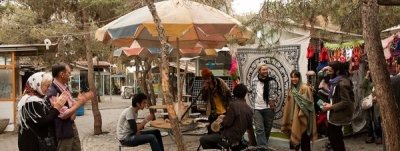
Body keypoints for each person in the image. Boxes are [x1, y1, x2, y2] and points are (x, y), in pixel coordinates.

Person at [46, 62, 94, 151]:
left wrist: (82, 100)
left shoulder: (65, 87)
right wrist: (79, 103)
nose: (70, 74)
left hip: (70, 127)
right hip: (62, 131)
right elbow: (63, 115)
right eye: (68, 72)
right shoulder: (53, 92)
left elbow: (72, 105)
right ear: (62, 74)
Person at [17, 72, 68, 151]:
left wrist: (54, 107)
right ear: (37, 84)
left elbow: (44, 117)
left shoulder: (39, 99)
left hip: (37, 142)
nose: (49, 88)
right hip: (32, 143)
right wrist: (57, 108)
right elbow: (43, 122)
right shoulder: (31, 101)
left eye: (49, 85)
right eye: (46, 85)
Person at [200, 84, 256, 151]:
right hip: (238, 138)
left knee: (203, 140)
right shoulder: (249, 109)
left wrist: (221, 120)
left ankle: (221, 149)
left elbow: (227, 123)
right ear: (244, 94)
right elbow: (250, 128)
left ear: (235, 92)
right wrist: (253, 144)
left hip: (228, 138)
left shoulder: (233, 105)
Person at [322, 61, 355, 151]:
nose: (328, 73)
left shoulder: (341, 83)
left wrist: (331, 107)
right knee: (334, 138)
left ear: (337, 71)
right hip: (334, 114)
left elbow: (346, 102)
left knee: (336, 140)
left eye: (330, 71)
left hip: (338, 115)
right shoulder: (336, 80)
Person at [281, 70, 318, 151]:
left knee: (305, 142)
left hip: (303, 117)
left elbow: (309, 104)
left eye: (296, 77)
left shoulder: (305, 88)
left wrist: (301, 112)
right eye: (292, 77)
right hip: (292, 118)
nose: (294, 79)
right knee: (295, 144)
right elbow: (288, 105)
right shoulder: (291, 89)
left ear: (299, 77)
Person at [248, 63, 276, 148]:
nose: (266, 71)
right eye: (263, 69)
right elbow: (250, 90)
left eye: (266, 69)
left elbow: (275, 93)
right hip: (257, 108)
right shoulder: (254, 80)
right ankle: (263, 148)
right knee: (259, 129)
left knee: (267, 129)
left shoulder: (272, 80)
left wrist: (273, 102)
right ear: (259, 71)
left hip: (268, 108)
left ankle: (263, 145)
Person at [201, 68, 232, 134]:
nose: (207, 79)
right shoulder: (205, 86)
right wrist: (205, 89)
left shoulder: (220, 82)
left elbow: (228, 94)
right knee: (212, 130)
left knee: (223, 130)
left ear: (211, 76)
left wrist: (229, 107)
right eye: (205, 78)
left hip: (224, 111)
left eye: (208, 77)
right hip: (213, 113)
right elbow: (204, 99)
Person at [361, 70, 382, 144]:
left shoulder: (379, 80)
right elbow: (362, 86)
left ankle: (378, 136)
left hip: (376, 101)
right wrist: (367, 76)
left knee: (376, 119)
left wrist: (377, 97)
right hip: (368, 102)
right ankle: (370, 136)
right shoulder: (368, 81)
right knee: (368, 119)